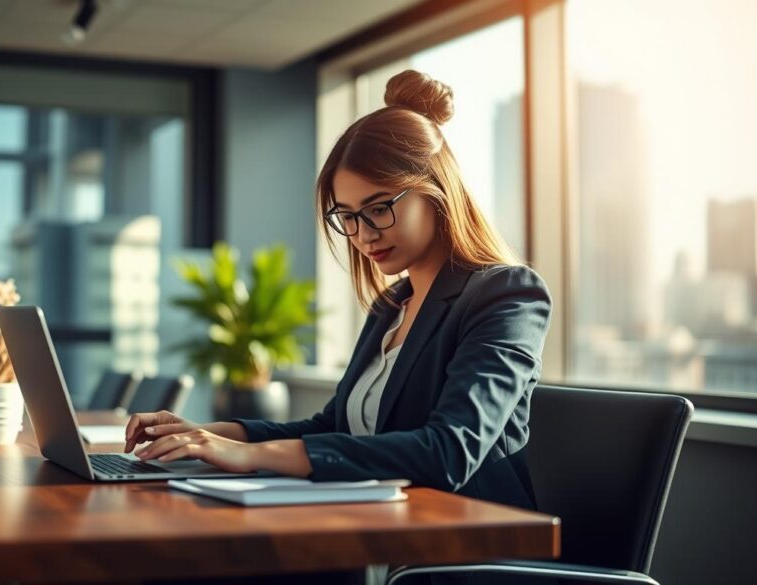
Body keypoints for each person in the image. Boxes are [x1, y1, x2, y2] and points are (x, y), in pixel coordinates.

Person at [127, 70, 553, 585]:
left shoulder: (507, 294)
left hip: (460, 557)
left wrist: (249, 456)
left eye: (379, 209)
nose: (362, 234)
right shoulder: (392, 306)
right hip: (374, 534)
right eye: (346, 216)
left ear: (437, 193)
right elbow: (336, 426)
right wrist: (209, 435)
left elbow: (448, 452)